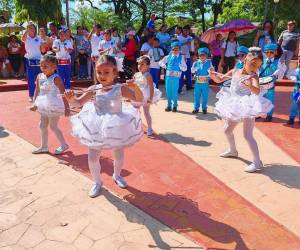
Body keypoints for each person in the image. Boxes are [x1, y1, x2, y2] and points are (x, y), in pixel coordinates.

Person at [65, 55, 144, 198]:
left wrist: (135, 87)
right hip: (95, 125)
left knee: (118, 154)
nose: (102, 75)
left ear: (115, 73)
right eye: (99, 72)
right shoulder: (94, 89)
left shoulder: (120, 89)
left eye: (106, 72)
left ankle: (117, 175)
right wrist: (70, 98)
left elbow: (139, 99)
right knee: (93, 157)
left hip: (116, 125)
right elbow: (78, 103)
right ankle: (97, 181)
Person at [210, 47, 273, 173]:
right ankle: (233, 151)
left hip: (247, 105)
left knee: (247, 135)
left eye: (258, 66)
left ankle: (257, 162)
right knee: (227, 130)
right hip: (234, 104)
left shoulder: (253, 76)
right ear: (245, 60)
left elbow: (257, 90)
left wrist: (250, 85)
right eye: (253, 64)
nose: (255, 68)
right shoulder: (235, 71)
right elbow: (219, 80)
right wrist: (212, 74)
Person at [29, 54, 69, 155]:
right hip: (42, 105)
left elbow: (63, 94)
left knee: (53, 126)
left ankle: (64, 144)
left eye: (46, 66)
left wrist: (67, 107)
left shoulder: (56, 78)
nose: (43, 68)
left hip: (54, 105)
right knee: (42, 125)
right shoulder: (39, 76)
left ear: (54, 67)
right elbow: (37, 90)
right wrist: (35, 103)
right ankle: (44, 147)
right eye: (41, 66)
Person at [131, 56, 161, 136]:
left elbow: (151, 87)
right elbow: (134, 85)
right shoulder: (136, 74)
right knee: (135, 111)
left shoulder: (148, 75)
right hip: (137, 95)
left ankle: (150, 128)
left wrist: (150, 98)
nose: (139, 66)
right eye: (139, 64)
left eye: (142, 64)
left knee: (146, 113)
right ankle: (136, 127)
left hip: (146, 96)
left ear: (147, 66)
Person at [258, 43, 286, 122]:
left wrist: (279, 71)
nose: (269, 54)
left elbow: (281, 72)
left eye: (271, 52)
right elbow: (258, 71)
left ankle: (269, 115)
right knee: (260, 99)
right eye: (267, 52)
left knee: (270, 100)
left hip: (271, 85)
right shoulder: (262, 61)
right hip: (261, 84)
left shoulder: (278, 62)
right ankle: (260, 114)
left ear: (275, 52)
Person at [159, 41, 187, 112]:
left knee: (174, 91)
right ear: (171, 49)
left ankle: (175, 106)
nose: (175, 50)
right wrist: (164, 66)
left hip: (176, 77)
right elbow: (160, 62)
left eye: (177, 49)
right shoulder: (168, 56)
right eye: (173, 49)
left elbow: (185, 68)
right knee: (168, 91)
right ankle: (169, 105)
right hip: (168, 76)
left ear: (179, 49)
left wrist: (180, 66)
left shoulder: (181, 57)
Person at [22, 23, 42, 102]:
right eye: (29, 28)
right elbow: (23, 38)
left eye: (32, 28)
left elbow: (43, 48)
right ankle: (31, 95)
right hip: (29, 60)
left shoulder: (39, 38)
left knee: (40, 78)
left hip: (39, 60)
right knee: (30, 78)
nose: (31, 29)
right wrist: (27, 29)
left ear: (35, 29)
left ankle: (39, 94)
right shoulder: (26, 38)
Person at [191, 47, 214, 114]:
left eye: (204, 55)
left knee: (205, 96)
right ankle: (196, 108)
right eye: (200, 55)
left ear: (206, 56)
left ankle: (204, 108)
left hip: (205, 83)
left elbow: (212, 72)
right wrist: (195, 69)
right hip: (197, 82)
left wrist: (209, 74)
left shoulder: (209, 63)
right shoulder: (195, 63)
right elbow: (192, 71)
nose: (202, 56)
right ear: (198, 56)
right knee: (196, 96)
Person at [177, 25, 193, 93]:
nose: (186, 32)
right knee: (181, 72)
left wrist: (193, 44)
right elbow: (177, 46)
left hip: (188, 56)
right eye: (185, 30)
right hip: (180, 57)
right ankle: (179, 88)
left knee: (188, 71)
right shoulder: (178, 37)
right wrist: (186, 42)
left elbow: (192, 49)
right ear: (182, 30)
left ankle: (189, 85)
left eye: (187, 30)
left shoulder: (190, 38)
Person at [286, 60, 300, 125]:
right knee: (294, 104)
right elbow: (288, 74)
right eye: (299, 62)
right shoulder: (297, 70)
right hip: (297, 91)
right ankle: (291, 118)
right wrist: (292, 77)